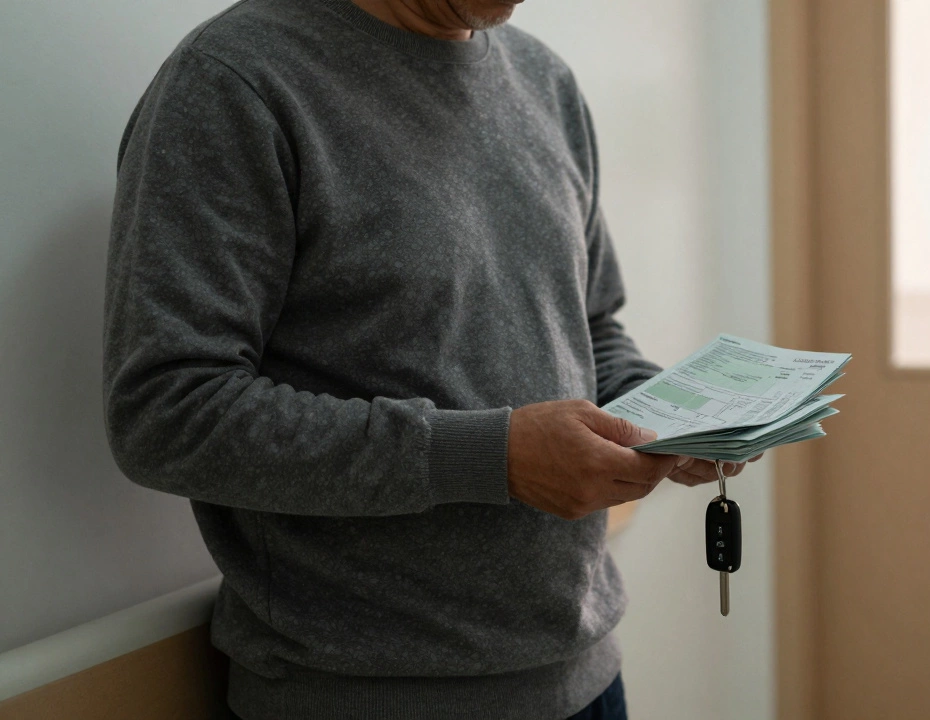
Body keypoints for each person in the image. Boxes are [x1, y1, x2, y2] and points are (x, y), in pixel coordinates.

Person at [102, 0, 758, 718]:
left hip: (587, 683)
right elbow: (168, 412)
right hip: (360, 698)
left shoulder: (545, 81)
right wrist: (491, 456)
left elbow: (590, 326)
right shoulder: (234, 80)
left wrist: (666, 416)